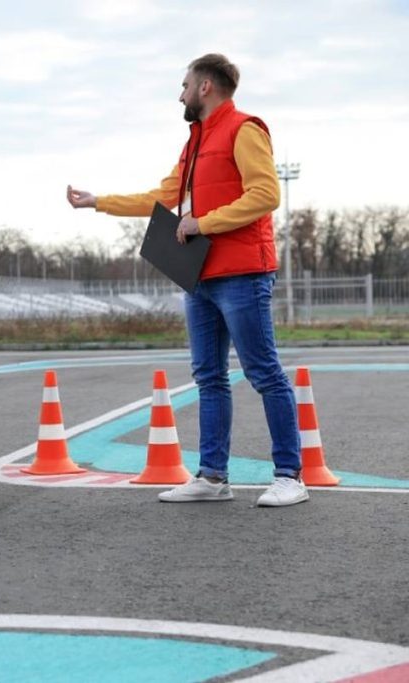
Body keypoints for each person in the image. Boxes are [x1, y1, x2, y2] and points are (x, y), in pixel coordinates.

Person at [66, 53, 306, 507]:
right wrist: (98, 201)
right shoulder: (195, 142)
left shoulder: (245, 128)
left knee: (263, 372)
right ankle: (213, 478)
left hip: (242, 273)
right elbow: (163, 196)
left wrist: (204, 223)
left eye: (184, 84)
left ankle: (290, 476)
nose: (179, 93)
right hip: (200, 277)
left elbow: (266, 194)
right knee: (209, 377)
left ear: (205, 88)